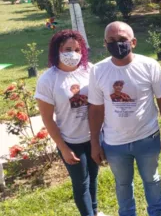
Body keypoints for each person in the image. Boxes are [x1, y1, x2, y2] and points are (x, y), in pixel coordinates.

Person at [88, 21, 161, 216]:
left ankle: (156, 213)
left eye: (122, 39)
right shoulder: (98, 71)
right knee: (122, 184)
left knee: (152, 180)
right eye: (111, 40)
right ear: (104, 43)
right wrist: (94, 142)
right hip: (114, 142)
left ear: (133, 42)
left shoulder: (149, 66)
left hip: (147, 138)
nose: (117, 44)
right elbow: (95, 109)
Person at [35, 30, 107, 216]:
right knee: (81, 182)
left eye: (77, 49)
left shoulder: (89, 70)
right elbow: (47, 118)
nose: (73, 54)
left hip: (93, 137)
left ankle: (95, 211)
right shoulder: (48, 80)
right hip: (70, 141)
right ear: (57, 49)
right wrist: (63, 148)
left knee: (93, 177)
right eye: (68, 49)